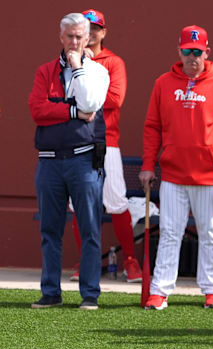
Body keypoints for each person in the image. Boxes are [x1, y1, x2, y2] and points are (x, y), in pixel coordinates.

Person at [140, 25, 213, 310]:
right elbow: (152, 127)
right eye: (187, 51)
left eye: (197, 52)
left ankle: (212, 290)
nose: (192, 56)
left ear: (207, 52)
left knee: (209, 233)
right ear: (179, 51)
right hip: (173, 174)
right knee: (170, 232)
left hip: (211, 175)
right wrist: (148, 165)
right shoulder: (163, 83)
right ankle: (160, 291)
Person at [29, 12, 109, 310]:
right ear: (61, 37)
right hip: (49, 161)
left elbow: (89, 102)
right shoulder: (44, 71)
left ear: (88, 38)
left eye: (80, 36)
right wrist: (72, 112)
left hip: (83, 160)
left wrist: (77, 68)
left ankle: (90, 294)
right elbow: (37, 111)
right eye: (70, 36)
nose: (74, 41)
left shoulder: (98, 72)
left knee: (89, 228)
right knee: (49, 230)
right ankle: (51, 292)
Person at [67, 9, 141, 284]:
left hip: (106, 140)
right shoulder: (69, 59)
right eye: (87, 28)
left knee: (116, 201)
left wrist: (82, 99)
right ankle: (86, 261)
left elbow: (115, 98)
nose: (92, 32)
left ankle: (130, 260)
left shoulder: (113, 61)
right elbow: (62, 97)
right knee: (78, 204)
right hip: (75, 139)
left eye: (96, 28)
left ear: (103, 32)